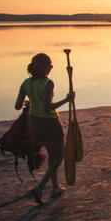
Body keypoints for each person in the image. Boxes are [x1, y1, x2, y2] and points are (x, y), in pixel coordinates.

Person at [14, 53, 74, 204]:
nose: (51, 69)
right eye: (50, 66)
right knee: (58, 156)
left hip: (35, 124)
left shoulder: (26, 83)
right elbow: (47, 108)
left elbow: (17, 106)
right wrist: (67, 100)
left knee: (52, 155)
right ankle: (40, 188)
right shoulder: (48, 83)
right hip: (50, 123)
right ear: (45, 67)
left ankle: (55, 188)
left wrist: (29, 102)